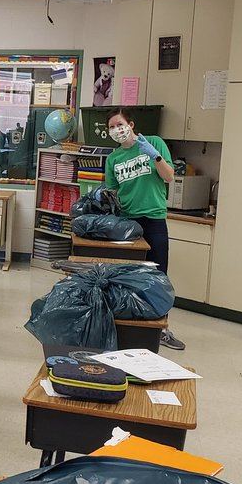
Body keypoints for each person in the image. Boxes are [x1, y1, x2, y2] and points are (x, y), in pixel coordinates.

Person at [102, 109, 185, 351]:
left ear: (131, 124)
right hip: (128, 223)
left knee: (158, 276)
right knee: (129, 276)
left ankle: (161, 331)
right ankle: (130, 330)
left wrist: (155, 156)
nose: (116, 130)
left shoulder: (154, 143)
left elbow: (169, 177)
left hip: (154, 218)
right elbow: (112, 192)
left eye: (119, 124)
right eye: (111, 127)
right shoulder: (113, 159)